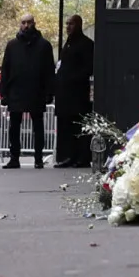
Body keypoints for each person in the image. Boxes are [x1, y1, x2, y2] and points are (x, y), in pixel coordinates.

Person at [0, 14, 53, 169]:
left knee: (38, 125)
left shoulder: (44, 45)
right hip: (16, 90)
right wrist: (4, 92)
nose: (26, 25)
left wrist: (49, 92)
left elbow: (49, 70)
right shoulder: (12, 45)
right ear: (19, 24)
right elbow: (5, 69)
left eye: (29, 22)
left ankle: (38, 158)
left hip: (36, 90)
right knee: (14, 126)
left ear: (34, 24)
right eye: (23, 23)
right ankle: (14, 158)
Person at [54, 15, 95, 168]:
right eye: (66, 24)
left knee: (79, 125)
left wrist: (72, 78)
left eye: (70, 24)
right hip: (65, 92)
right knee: (66, 126)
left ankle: (81, 157)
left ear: (78, 24)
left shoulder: (86, 44)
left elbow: (88, 67)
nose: (68, 27)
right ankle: (67, 156)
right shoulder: (68, 43)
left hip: (77, 93)